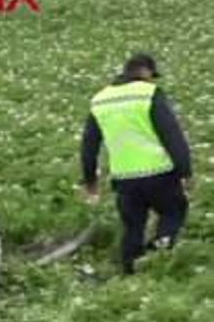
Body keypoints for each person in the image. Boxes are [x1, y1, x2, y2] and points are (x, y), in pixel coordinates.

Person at [81, 53, 192, 274]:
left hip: (124, 179)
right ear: (145, 71)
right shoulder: (149, 94)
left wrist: (90, 180)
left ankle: (130, 272)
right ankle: (158, 253)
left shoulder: (100, 99)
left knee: (133, 227)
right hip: (159, 173)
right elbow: (172, 135)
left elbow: (89, 145)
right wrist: (185, 171)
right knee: (174, 212)